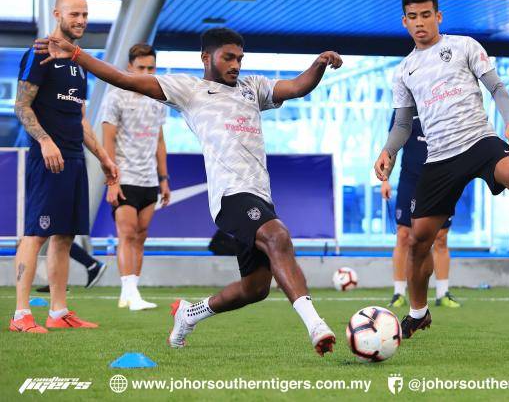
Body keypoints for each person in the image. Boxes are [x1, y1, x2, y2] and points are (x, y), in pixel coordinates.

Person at [34, 27, 342, 356]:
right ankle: (315, 325)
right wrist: (77, 55)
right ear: (206, 58)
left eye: (240, 58)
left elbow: (297, 87)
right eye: (228, 58)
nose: (236, 65)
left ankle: (190, 313)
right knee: (278, 236)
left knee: (255, 289)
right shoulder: (189, 90)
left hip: (260, 195)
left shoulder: (253, 87)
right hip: (230, 196)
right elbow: (124, 79)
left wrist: (319, 64)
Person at [374, 0, 509, 341]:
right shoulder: (403, 71)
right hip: (439, 157)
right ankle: (418, 313)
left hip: (479, 141)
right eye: (413, 17)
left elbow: (497, 88)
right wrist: (388, 151)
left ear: (438, 16)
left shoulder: (464, 46)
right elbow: (402, 125)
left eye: (426, 15)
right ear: (404, 22)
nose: (420, 22)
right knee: (418, 241)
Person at [11, 0, 117, 333]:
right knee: (36, 234)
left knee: (65, 237)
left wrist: (103, 158)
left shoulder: (79, 61)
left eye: (85, 14)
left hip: (74, 159)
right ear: (58, 14)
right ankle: (21, 315)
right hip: (47, 160)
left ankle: (58, 313)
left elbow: (80, 118)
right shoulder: (39, 53)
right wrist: (45, 142)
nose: (81, 20)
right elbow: (21, 106)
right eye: (74, 14)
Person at [101, 43, 171, 310]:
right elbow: (108, 140)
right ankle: (130, 293)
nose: (146, 72)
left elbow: (160, 142)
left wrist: (164, 179)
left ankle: (130, 293)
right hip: (125, 177)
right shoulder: (115, 97)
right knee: (127, 234)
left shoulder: (159, 99)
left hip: (149, 180)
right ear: (130, 67)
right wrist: (112, 180)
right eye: (141, 67)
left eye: (151, 68)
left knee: (141, 235)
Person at [381, 111, 460, 309]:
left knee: (440, 238)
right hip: (410, 182)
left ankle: (443, 293)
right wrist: (385, 179)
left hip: (440, 182)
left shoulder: (444, 105)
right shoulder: (404, 109)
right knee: (403, 236)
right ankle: (399, 293)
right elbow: (393, 147)